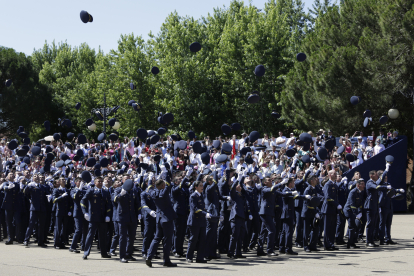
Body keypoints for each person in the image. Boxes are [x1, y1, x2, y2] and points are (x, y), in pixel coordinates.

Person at [146, 176, 177, 267]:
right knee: (167, 240)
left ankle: (149, 256)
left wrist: (149, 179)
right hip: (167, 219)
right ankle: (166, 260)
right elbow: (168, 184)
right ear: (163, 185)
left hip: (159, 218)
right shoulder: (164, 192)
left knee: (156, 238)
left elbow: (149, 187)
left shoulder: (152, 192)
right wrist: (166, 174)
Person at [81, 176, 112, 259]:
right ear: (95, 183)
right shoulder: (91, 190)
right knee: (90, 236)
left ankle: (104, 253)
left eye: (102, 181)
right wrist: (85, 213)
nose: (101, 183)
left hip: (102, 217)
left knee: (103, 236)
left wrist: (108, 215)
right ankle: (86, 253)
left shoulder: (105, 192)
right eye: (99, 181)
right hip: (93, 217)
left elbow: (108, 204)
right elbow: (83, 200)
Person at [364, 167, 391, 247]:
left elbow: (379, 183)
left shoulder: (374, 182)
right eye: (376, 175)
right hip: (370, 206)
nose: (377, 177)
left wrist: (386, 170)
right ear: (371, 176)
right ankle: (368, 241)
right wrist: (386, 187)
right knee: (370, 224)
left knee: (373, 224)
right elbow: (377, 187)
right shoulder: (369, 182)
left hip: (375, 206)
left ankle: (372, 240)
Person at [186, 180, 209, 263]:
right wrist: (205, 214)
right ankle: (189, 256)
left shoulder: (201, 195)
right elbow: (195, 209)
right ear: (196, 187)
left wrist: (208, 213)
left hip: (202, 221)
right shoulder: (193, 196)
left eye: (202, 185)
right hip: (194, 221)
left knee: (202, 239)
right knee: (193, 239)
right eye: (200, 185)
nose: (202, 187)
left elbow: (203, 207)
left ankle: (200, 257)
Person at [343, 178, 365, 249]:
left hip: (354, 211)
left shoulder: (360, 192)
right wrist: (356, 214)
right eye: (362, 184)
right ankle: (349, 244)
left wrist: (360, 212)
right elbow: (352, 204)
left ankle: (353, 242)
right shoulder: (353, 192)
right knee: (352, 227)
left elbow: (360, 204)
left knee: (355, 227)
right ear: (358, 185)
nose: (364, 186)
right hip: (349, 211)